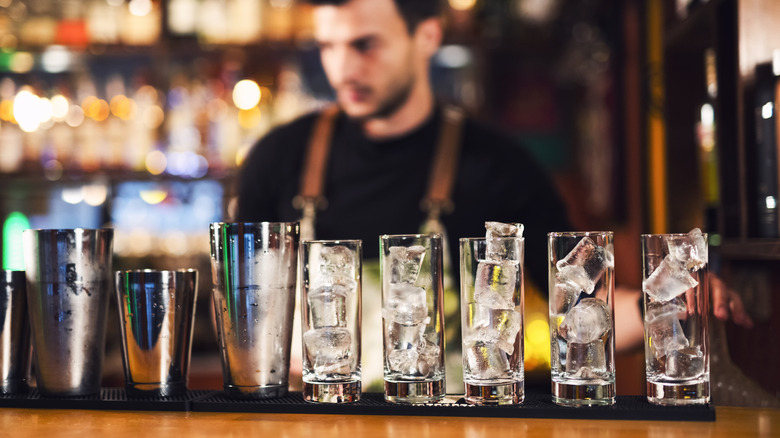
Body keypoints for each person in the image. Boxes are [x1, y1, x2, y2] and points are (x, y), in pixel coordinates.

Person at [237, 0, 752, 388]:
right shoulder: (278, 159)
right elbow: (246, 321)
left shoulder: (499, 165)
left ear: (427, 36)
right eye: (327, 46)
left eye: (364, 45)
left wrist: (670, 304)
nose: (342, 68)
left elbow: (577, 311)